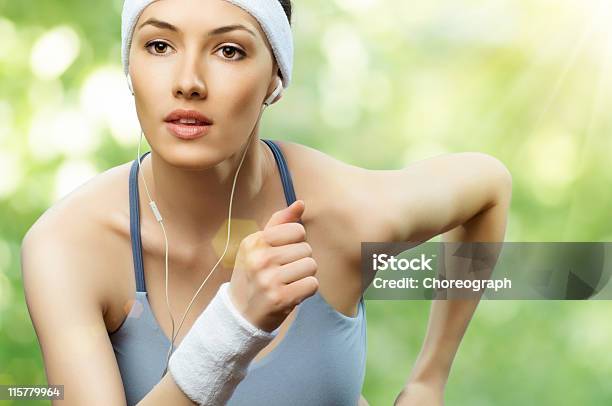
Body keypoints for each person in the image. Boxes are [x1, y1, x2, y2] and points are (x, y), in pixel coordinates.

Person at [20, 0, 513, 405]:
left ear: (275, 76)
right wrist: (234, 325)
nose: (188, 80)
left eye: (229, 50)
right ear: (130, 66)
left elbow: (488, 187)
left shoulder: (343, 212)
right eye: (159, 45)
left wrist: (429, 380)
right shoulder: (68, 247)